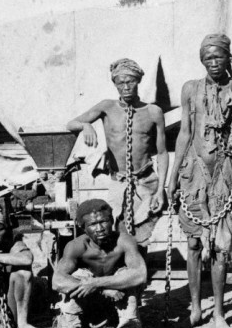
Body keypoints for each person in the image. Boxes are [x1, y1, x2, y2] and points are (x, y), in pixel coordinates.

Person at [167, 34, 232, 328]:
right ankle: (196, 305)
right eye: (208, 58)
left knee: (220, 246)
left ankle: (219, 312)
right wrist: (173, 174)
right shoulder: (191, 88)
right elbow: (185, 133)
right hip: (193, 171)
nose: (214, 63)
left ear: (229, 57)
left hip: (225, 172)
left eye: (219, 57)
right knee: (192, 242)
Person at [67, 58, 168, 256]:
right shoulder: (107, 107)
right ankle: (124, 277)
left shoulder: (153, 112)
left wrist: (160, 190)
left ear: (138, 82)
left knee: (141, 235)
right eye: (120, 82)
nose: (126, 86)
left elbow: (162, 152)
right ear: (115, 84)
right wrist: (86, 125)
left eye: (130, 81)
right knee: (118, 232)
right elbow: (71, 124)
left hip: (146, 181)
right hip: (118, 182)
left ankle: (140, 277)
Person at [50, 199, 147, 328]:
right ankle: (73, 326)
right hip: (91, 300)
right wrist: (102, 289)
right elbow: (57, 281)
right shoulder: (76, 246)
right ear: (83, 227)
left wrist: (96, 283)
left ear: (112, 221)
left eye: (104, 221)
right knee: (79, 276)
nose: (100, 228)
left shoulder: (124, 241)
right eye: (93, 225)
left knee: (126, 273)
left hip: (119, 297)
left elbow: (140, 274)